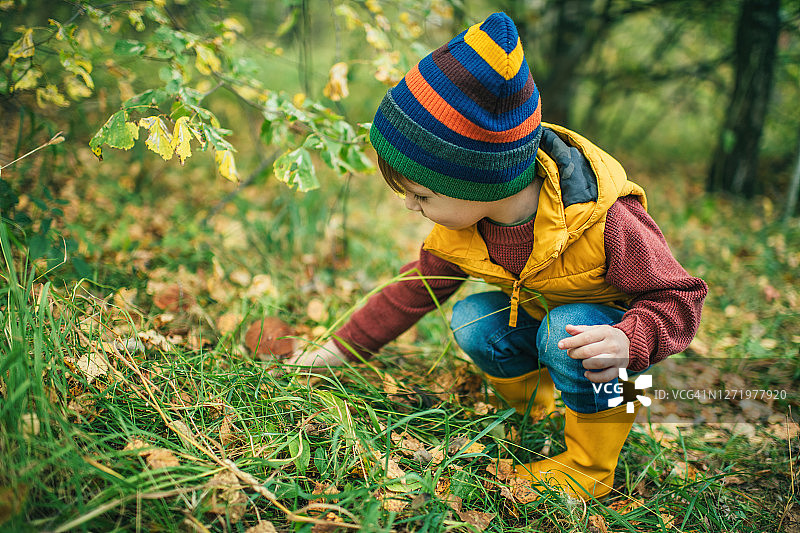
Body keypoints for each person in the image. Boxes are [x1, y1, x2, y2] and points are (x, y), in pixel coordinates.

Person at [284, 12, 707, 500]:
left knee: (562, 328)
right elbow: (412, 291)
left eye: (421, 196)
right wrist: (336, 352)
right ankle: (535, 414)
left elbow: (682, 298)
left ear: (479, 182)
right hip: (556, 333)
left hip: (619, 355)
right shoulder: (464, 227)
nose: (409, 206)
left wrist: (628, 340)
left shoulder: (606, 220)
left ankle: (592, 465)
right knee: (471, 319)